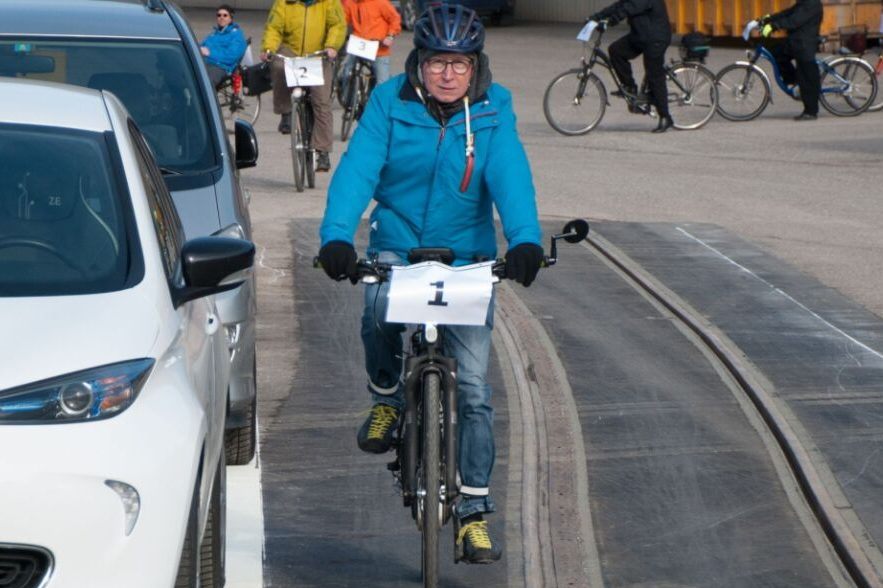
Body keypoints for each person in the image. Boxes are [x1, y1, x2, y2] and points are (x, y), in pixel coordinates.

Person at [317, 3, 543, 565]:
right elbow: (359, 168)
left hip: (467, 257)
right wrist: (337, 236)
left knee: (472, 389)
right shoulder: (389, 102)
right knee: (375, 304)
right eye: (438, 62)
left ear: (476, 66)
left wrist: (525, 240)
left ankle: (472, 513)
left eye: (460, 64)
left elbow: (509, 172)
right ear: (419, 63)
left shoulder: (495, 108)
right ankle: (388, 397)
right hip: (398, 242)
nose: (447, 74)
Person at [261, 0, 347, 172]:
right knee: (277, 65)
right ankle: (285, 112)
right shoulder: (284, 3)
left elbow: (337, 25)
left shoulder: (328, 2)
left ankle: (322, 152)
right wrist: (268, 48)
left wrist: (331, 46)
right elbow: (274, 27)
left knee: (322, 102)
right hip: (291, 52)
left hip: (319, 54)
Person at [589, 0, 674, 133]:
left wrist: (611, 20)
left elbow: (631, 7)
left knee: (654, 76)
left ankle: (665, 117)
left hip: (656, 38)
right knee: (616, 50)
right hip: (640, 36)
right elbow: (620, 5)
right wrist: (596, 17)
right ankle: (630, 88)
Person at [758, 0, 823, 120]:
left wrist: (774, 26)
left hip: (805, 44)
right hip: (795, 42)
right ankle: (794, 82)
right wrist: (769, 18)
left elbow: (795, 21)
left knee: (807, 76)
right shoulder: (803, 3)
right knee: (777, 53)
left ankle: (810, 112)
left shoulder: (812, 3)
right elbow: (788, 13)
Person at [341, 0, 401, 86]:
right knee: (346, 73)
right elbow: (342, 20)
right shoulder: (350, 3)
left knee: (382, 83)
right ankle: (345, 96)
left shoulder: (380, 2)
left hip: (378, 48)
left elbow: (395, 19)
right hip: (357, 46)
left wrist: (390, 36)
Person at [200, 4, 247, 90]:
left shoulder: (236, 35)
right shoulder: (213, 34)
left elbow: (231, 56)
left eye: (225, 15)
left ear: (230, 18)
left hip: (220, 67)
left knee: (204, 84)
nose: (221, 17)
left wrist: (210, 53)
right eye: (219, 15)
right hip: (204, 63)